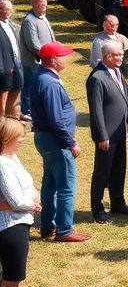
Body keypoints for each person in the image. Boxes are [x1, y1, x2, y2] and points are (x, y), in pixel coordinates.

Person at [31, 41, 89, 242]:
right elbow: (56, 119)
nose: (67, 58)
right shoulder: (49, 82)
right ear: (53, 59)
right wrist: (71, 142)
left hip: (45, 138)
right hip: (56, 141)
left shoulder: (43, 78)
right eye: (63, 55)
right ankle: (64, 230)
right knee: (65, 186)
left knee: (50, 184)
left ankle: (48, 226)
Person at [86, 40, 128, 224]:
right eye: (118, 54)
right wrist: (101, 135)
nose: (121, 57)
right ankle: (97, 208)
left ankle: (118, 202)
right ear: (107, 56)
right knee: (103, 171)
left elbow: (123, 97)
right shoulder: (97, 78)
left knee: (118, 168)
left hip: (119, 131)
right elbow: (96, 109)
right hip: (106, 135)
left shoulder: (116, 72)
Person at [0, 117, 43, 287]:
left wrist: (35, 198)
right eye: (19, 135)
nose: (22, 139)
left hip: (20, 222)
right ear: (6, 137)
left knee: (17, 277)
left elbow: (25, 188)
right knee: (10, 278)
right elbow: (15, 201)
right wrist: (32, 205)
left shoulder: (12, 158)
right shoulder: (2, 164)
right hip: (9, 227)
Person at [18, 0, 53, 120]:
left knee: (41, 85)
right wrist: (46, 55)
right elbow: (33, 44)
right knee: (29, 85)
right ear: (33, 4)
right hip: (32, 60)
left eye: (45, 3)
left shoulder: (43, 18)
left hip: (45, 59)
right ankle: (26, 111)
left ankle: (38, 108)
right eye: (40, 3)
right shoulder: (29, 20)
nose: (44, 5)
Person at [0, 0, 24, 119]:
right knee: (3, 97)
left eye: (11, 9)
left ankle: (14, 119)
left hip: (16, 65)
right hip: (5, 68)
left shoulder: (9, 24)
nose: (11, 12)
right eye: (8, 9)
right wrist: (4, 67)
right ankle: (3, 124)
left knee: (16, 92)